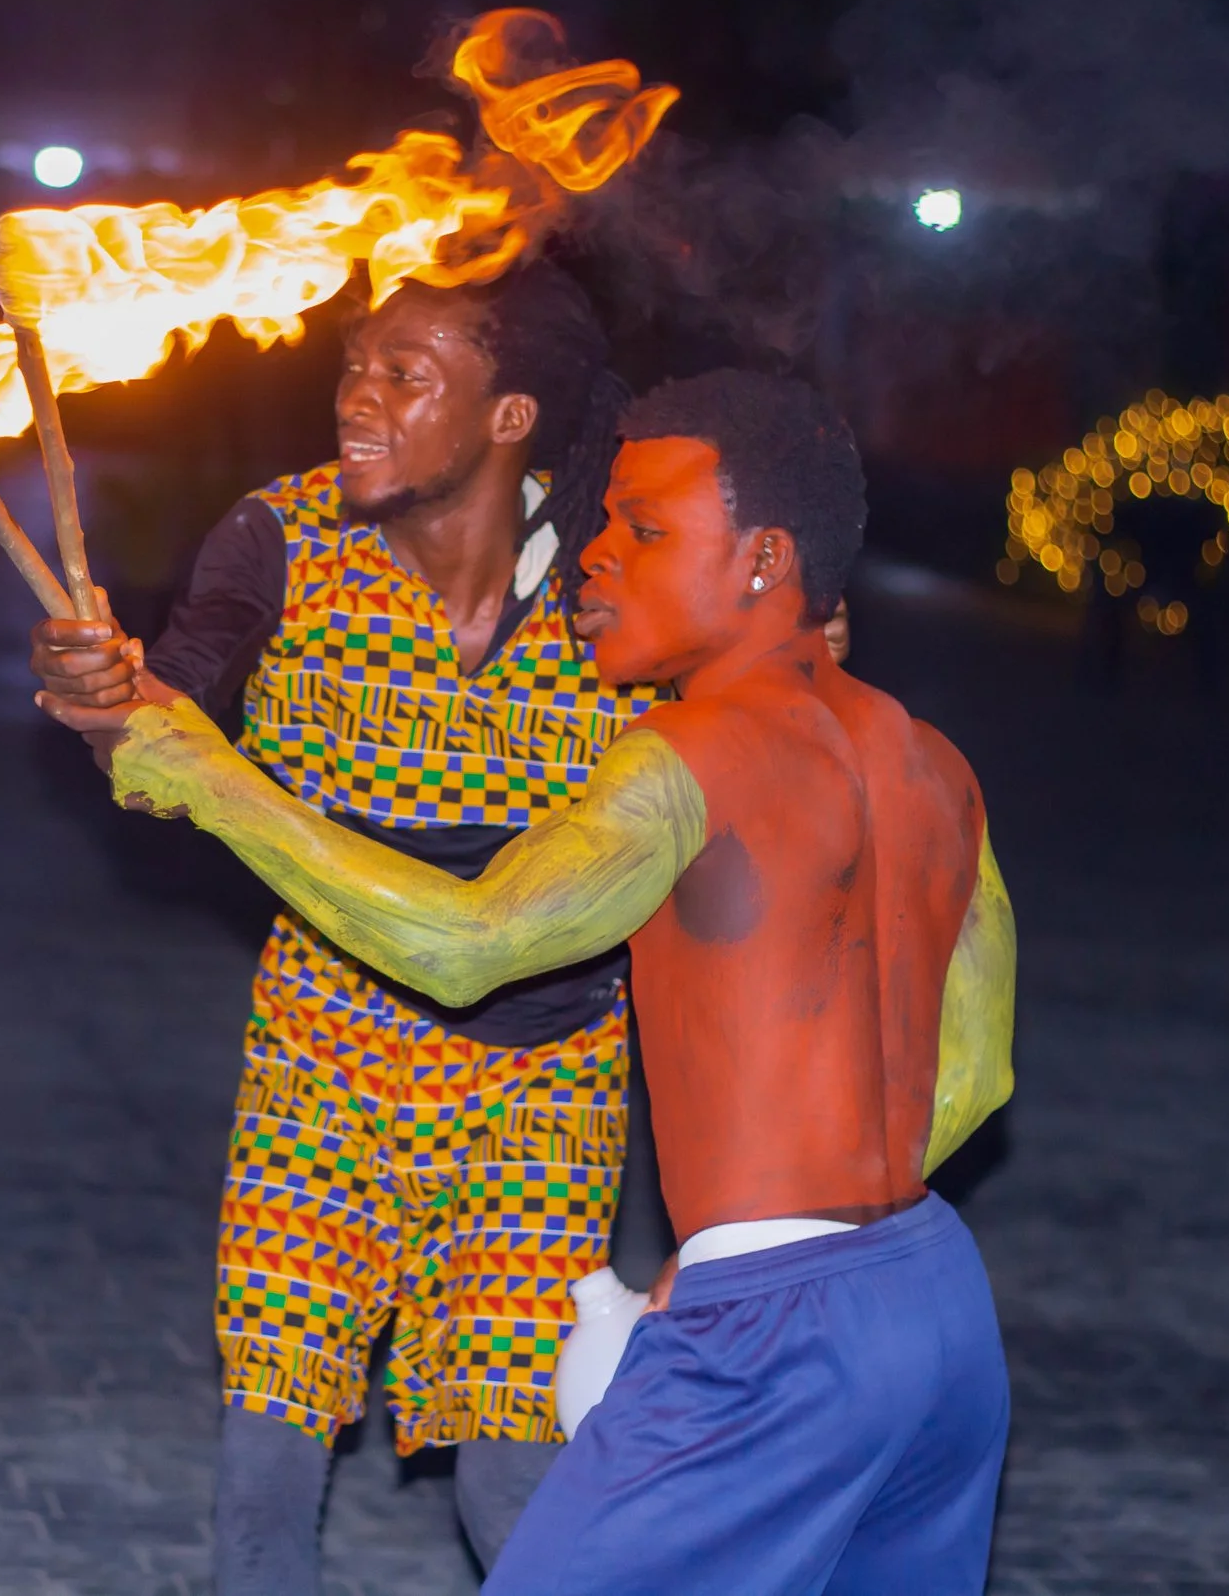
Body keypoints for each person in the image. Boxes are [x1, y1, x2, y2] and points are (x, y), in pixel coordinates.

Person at [105, 368, 1017, 1595]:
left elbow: (464, 944)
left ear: (761, 561)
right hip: (936, 1306)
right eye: (600, 525)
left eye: (643, 531)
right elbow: (974, 1070)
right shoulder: (934, 763)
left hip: (766, 1343)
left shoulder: (684, 756)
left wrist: (216, 785)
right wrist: (808, 1224)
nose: (594, 558)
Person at [30, 261, 653, 1589]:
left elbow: (747, 704)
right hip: (325, 1053)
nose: (357, 401)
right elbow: (172, 714)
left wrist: (806, 621)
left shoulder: (616, 569)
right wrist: (106, 706)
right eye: (353, 369)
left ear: (508, 416)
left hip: (549, 1079)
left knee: (512, 1472)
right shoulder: (282, 538)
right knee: (269, 1446)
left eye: (404, 376)